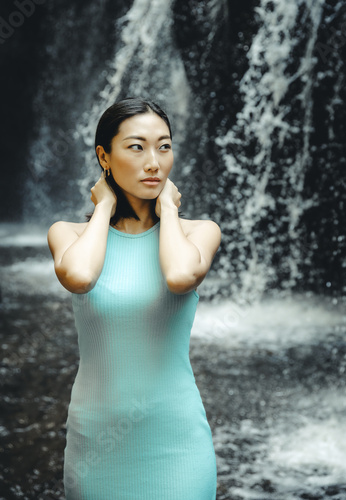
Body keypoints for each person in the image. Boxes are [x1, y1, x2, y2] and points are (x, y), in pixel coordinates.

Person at [47, 97, 221, 499]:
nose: (153, 162)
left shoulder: (199, 232)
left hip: (177, 444)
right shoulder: (68, 234)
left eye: (164, 146)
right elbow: (80, 276)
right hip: (96, 447)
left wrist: (169, 210)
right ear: (104, 156)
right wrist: (104, 207)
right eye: (136, 147)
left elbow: (179, 276)